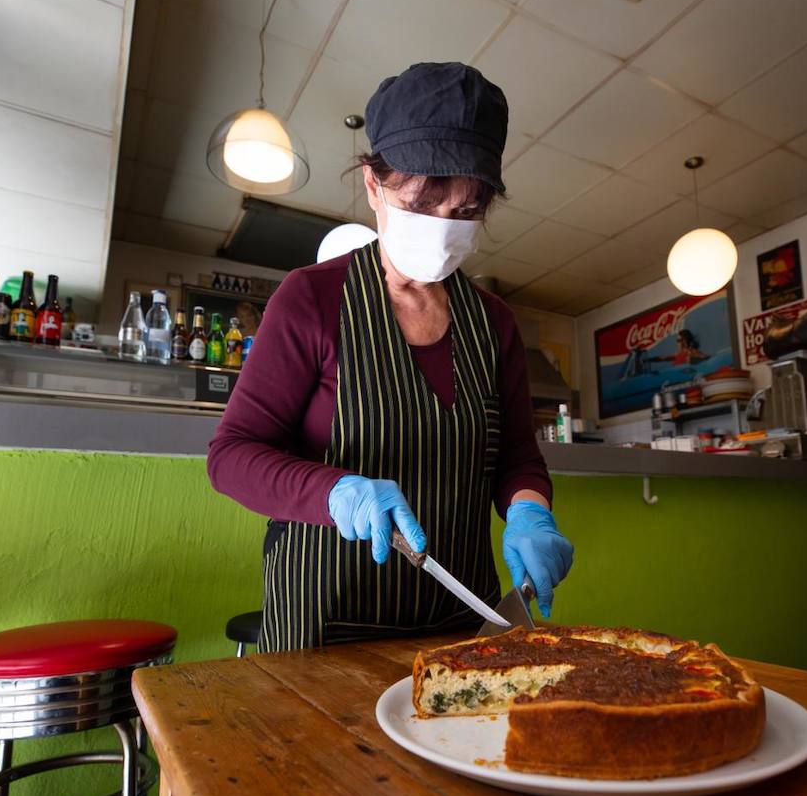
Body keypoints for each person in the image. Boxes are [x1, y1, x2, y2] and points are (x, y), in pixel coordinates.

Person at [208, 63, 574, 652]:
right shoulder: (311, 298)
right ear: (374, 187)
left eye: (466, 211)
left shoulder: (494, 323)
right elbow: (231, 456)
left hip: (461, 619)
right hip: (323, 620)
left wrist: (530, 511)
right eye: (424, 203)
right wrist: (332, 491)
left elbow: (516, 460)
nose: (443, 228)